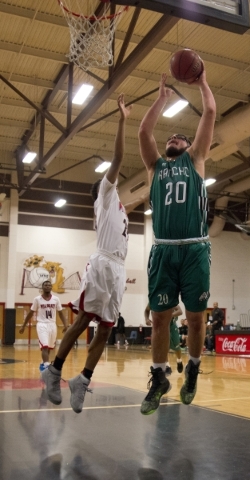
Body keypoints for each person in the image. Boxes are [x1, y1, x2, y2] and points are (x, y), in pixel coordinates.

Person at [42, 93, 131, 413]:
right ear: (103, 187)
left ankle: (83, 378)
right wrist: (123, 120)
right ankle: (54, 372)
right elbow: (118, 158)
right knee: (81, 322)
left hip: (118, 269)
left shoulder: (118, 205)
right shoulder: (105, 195)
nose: (115, 178)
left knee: (106, 329)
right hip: (104, 262)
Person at [138, 69, 216, 415]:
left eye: (180, 137)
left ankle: (195, 369)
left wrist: (201, 83)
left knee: (196, 320)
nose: (174, 137)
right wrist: (160, 100)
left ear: (188, 146)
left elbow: (210, 112)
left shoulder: (195, 159)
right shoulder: (155, 167)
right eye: (171, 136)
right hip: (163, 249)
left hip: (195, 247)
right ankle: (159, 378)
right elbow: (144, 131)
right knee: (159, 319)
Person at [19, 280, 68, 372]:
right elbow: (30, 313)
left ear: (51, 287)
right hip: (42, 324)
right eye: (45, 285)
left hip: (52, 324)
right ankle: (46, 366)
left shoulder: (56, 299)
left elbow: (60, 313)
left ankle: (43, 363)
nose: (47, 286)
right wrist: (23, 325)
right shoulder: (37, 299)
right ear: (42, 287)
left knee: (49, 347)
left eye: (49, 285)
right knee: (44, 346)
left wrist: (66, 324)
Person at [144, 304, 184, 375]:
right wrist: (147, 319)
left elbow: (180, 311)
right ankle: (167, 366)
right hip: (160, 326)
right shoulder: (153, 299)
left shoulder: (170, 298)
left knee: (177, 347)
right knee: (164, 347)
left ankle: (179, 360)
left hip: (171, 326)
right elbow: (146, 310)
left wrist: (169, 315)